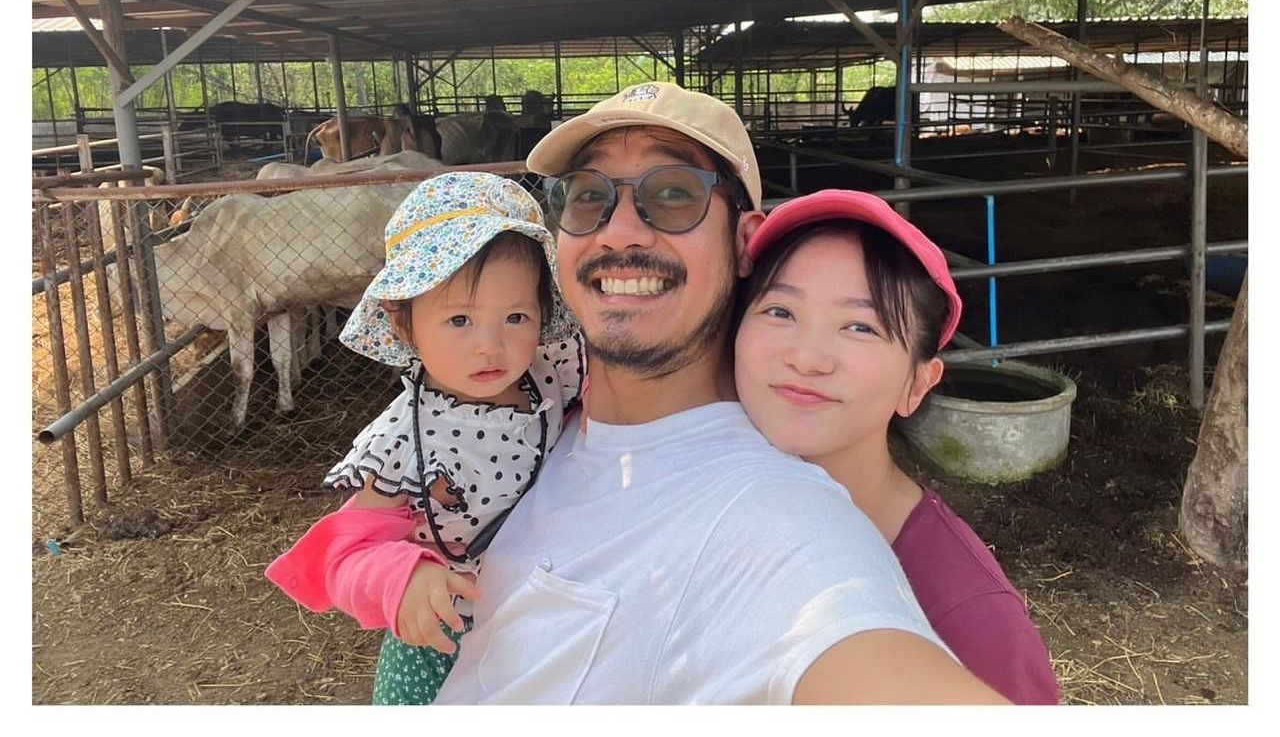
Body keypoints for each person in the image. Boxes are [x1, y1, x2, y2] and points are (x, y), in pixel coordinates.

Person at [433, 81, 1005, 704]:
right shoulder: (531, 410)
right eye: (589, 195)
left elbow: (841, 628)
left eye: (673, 194)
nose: (618, 233)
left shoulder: (775, 517)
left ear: (742, 241)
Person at [265, 171, 584, 704]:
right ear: (402, 321)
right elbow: (346, 553)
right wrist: (400, 579)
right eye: (459, 320)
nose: (490, 346)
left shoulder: (554, 374)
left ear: (543, 313)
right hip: (443, 638)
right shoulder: (400, 444)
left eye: (515, 316)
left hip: (541, 617)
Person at [733, 189, 1059, 704]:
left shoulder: (968, 616)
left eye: (860, 327)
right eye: (780, 311)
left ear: (918, 384)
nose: (807, 357)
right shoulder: (702, 506)